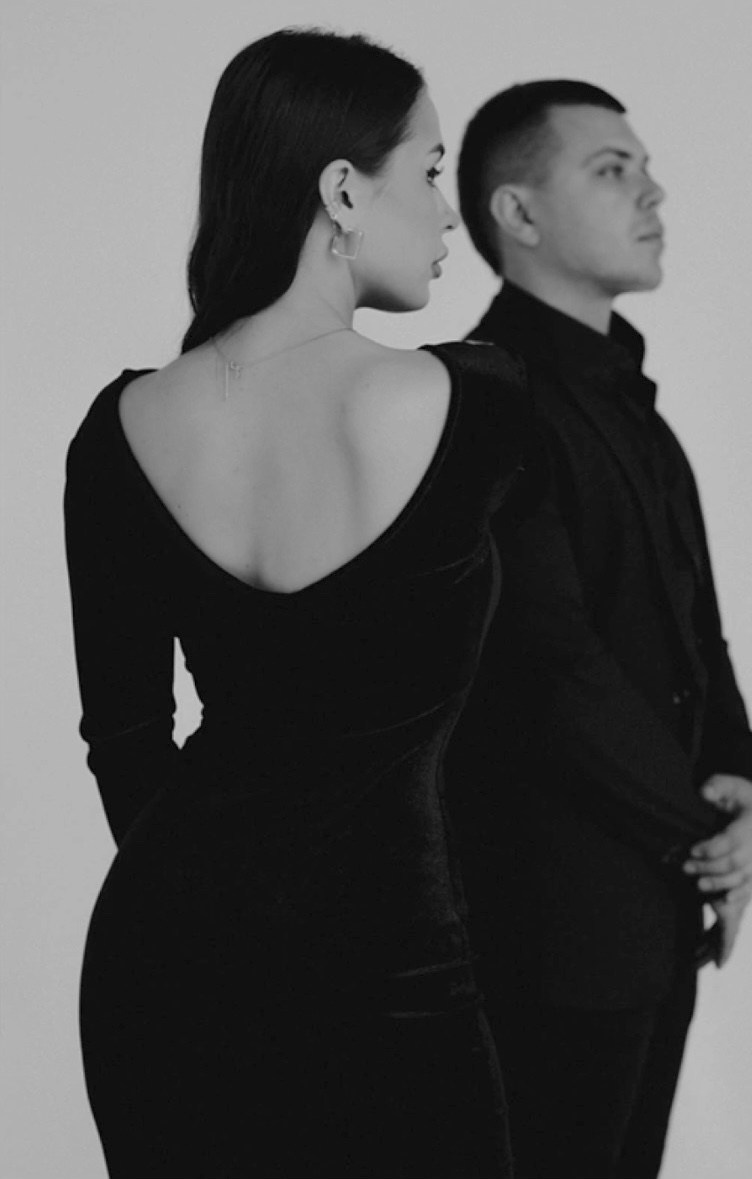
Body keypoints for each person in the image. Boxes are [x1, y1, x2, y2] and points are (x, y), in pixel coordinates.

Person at [63, 28, 531, 1179]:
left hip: (164, 957)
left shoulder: (119, 429)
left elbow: (126, 739)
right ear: (341, 191)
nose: (446, 214)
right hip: (392, 959)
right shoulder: (472, 403)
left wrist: (221, 916)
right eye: (429, 172)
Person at [447, 79, 752, 1178]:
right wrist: (706, 831)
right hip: (547, 929)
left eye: (646, 169)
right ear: (518, 213)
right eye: (612, 170)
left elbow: (698, 637)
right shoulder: (478, 399)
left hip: (659, 914)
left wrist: (741, 785)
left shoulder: (634, 403)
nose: (653, 193)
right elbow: (548, 670)